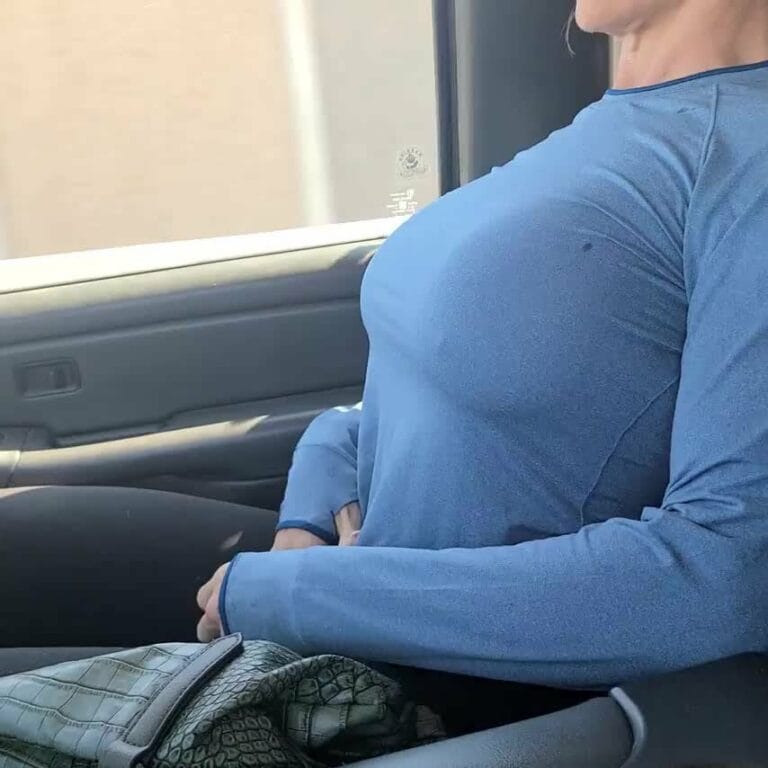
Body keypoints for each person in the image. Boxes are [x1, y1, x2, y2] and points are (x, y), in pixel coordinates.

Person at [2, 0, 768, 720]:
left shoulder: (744, 156)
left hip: (442, 688)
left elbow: (725, 579)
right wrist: (310, 511)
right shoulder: (615, 127)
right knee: (22, 534)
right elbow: (430, 401)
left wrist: (300, 595)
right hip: (363, 584)